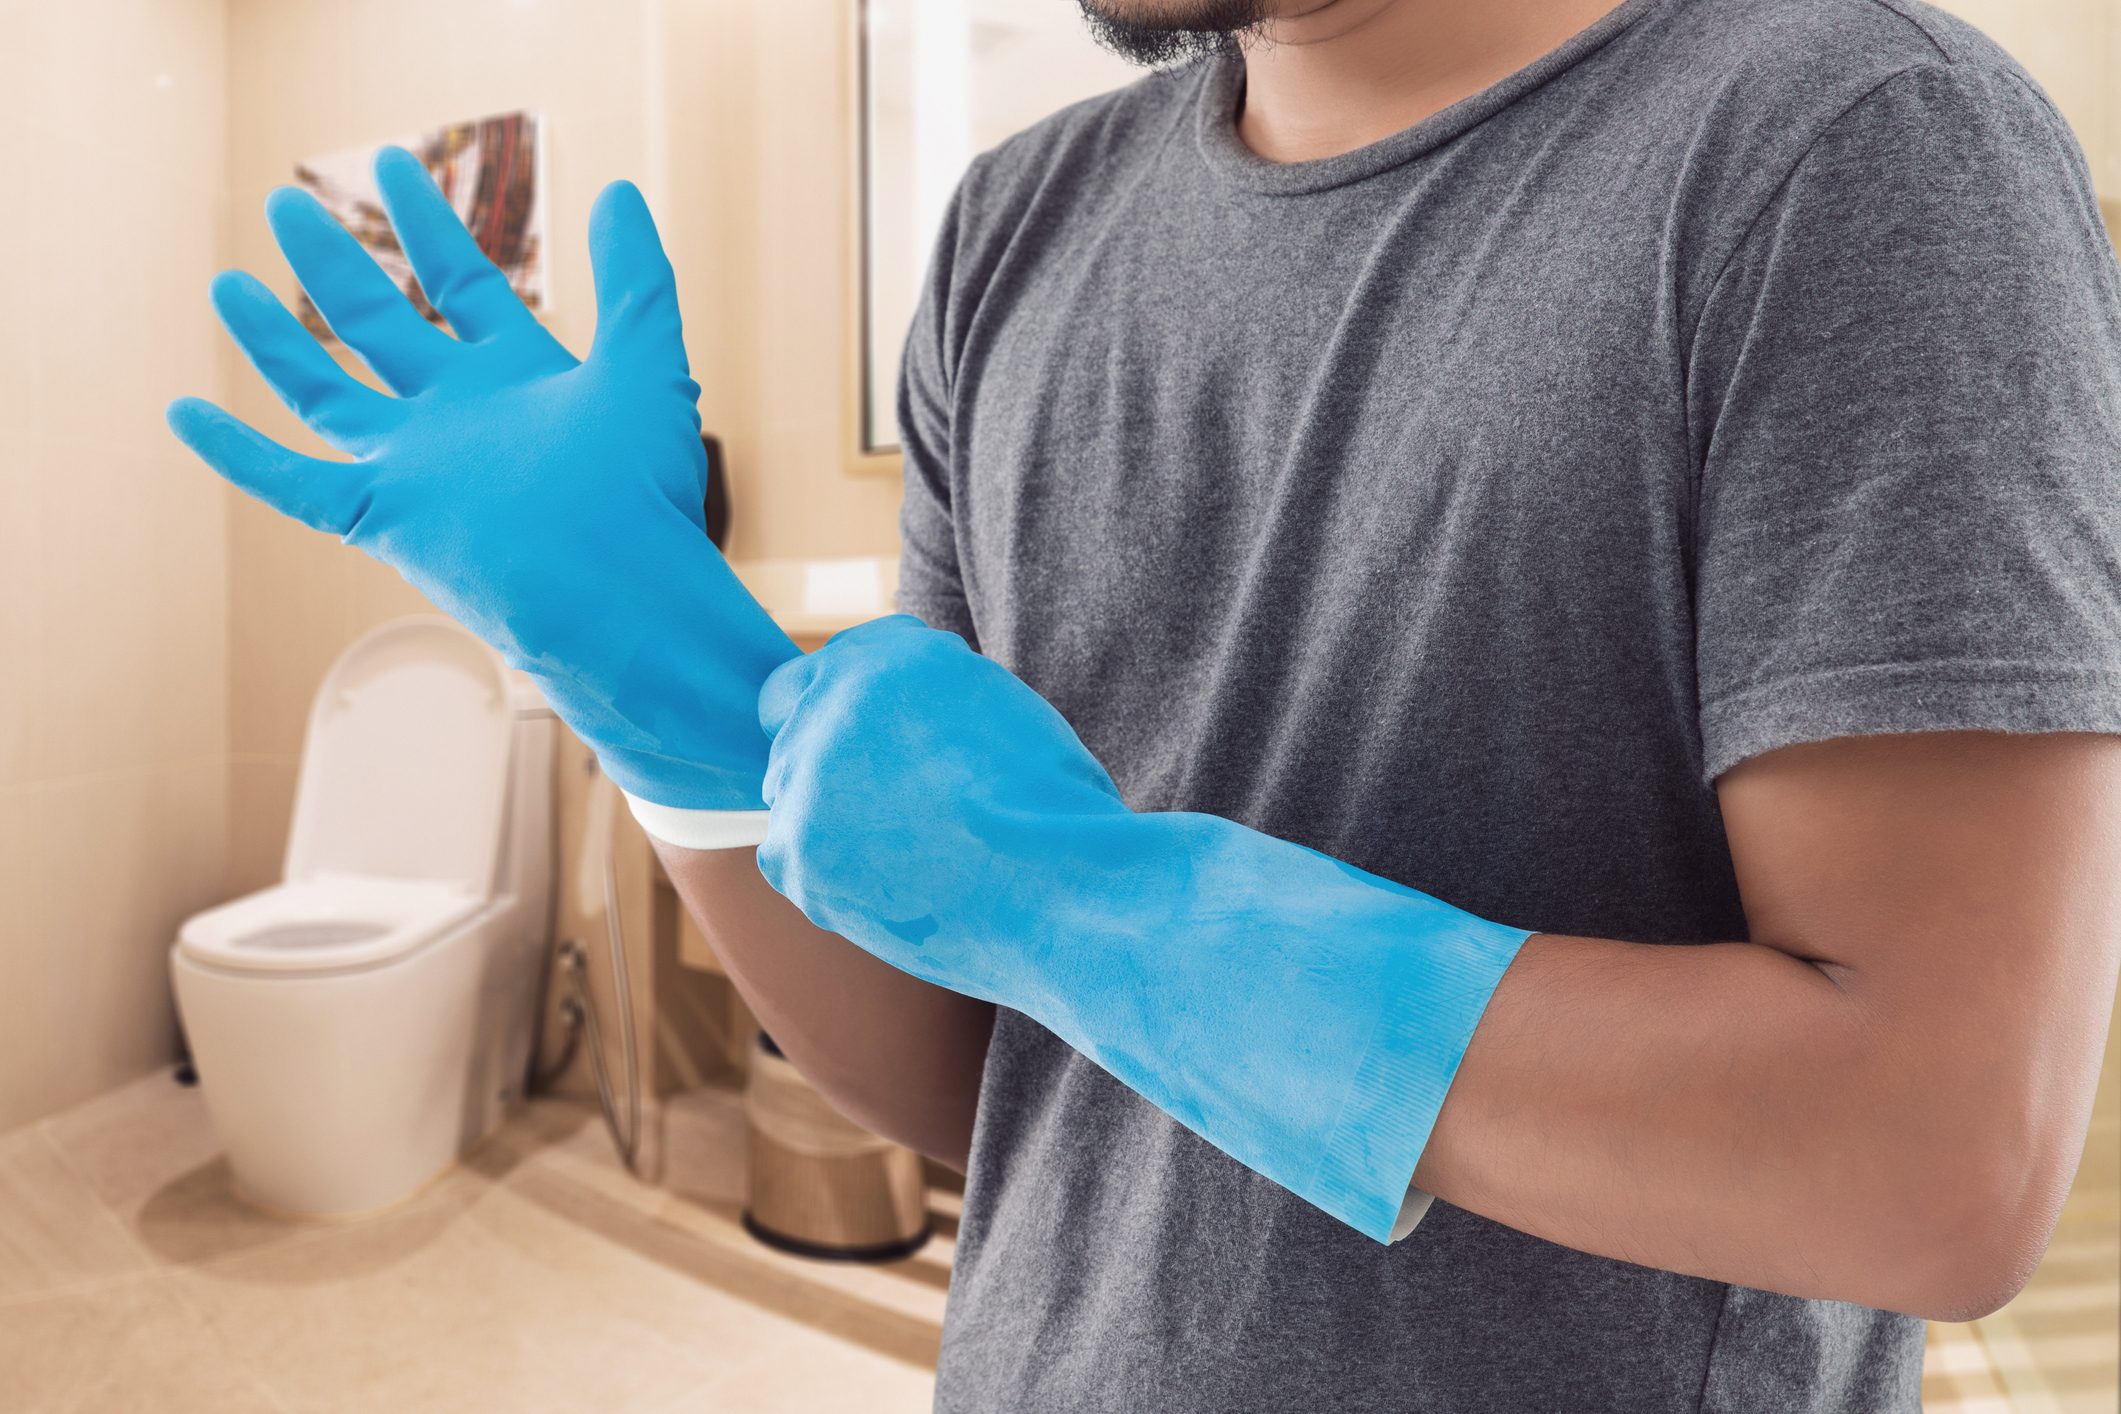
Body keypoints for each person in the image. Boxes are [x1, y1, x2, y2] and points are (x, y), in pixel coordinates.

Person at [170, 0, 2121, 1409]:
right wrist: (670, 691)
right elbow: (973, 1069)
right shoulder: (1012, 234)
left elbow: (1929, 1155)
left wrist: (1090, 896)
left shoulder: (1848, 143)